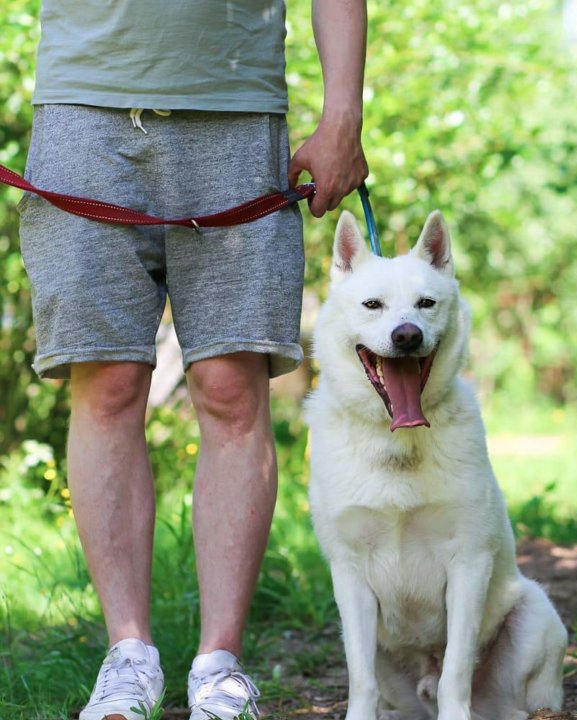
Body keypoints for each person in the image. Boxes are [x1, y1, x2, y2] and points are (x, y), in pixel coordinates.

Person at [19, 1, 368, 718]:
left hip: (238, 116)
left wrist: (343, 117)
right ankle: (128, 657)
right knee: (107, 382)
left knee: (231, 389)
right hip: (82, 113)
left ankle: (219, 665)